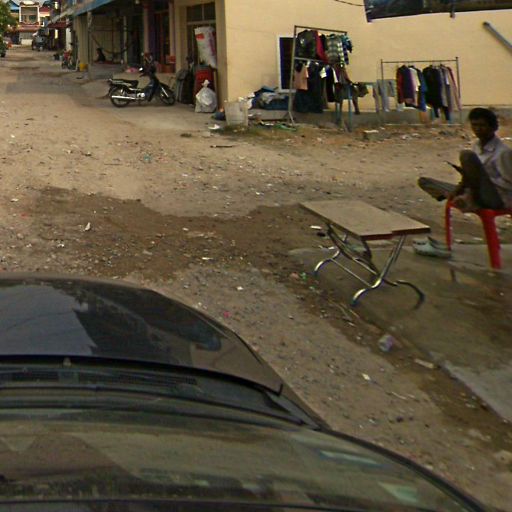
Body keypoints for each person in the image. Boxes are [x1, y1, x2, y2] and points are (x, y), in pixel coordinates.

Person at [418, 108, 512, 211]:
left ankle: (467, 199)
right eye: (474, 125)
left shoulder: (503, 152)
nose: (478, 129)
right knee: (424, 181)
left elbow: (509, 182)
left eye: (482, 125)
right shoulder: (476, 146)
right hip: (474, 190)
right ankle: (462, 197)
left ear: (493, 127)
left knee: (466, 155)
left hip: (496, 197)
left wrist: (482, 178)